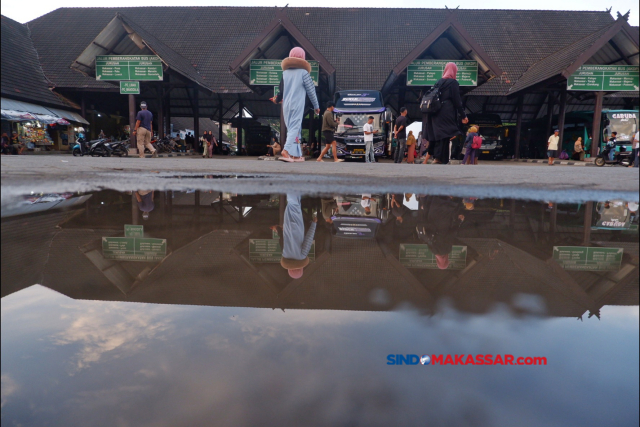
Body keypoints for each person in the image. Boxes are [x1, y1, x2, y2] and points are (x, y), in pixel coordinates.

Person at [271, 47, 320, 162]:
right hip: (297, 104)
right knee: (295, 128)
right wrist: (316, 106)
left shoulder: (285, 73)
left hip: (286, 105)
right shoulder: (304, 73)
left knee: (294, 129)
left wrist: (276, 100)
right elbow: (311, 91)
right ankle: (286, 151)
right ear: (303, 58)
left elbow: (281, 92)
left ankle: (296, 155)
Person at [423, 63, 468, 165]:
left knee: (438, 134)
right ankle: (440, 158)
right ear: (454, 71)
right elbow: (457, 101)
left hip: (435, 112)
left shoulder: (438, 82)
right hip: (446, 112)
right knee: (445, 134)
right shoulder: (453, 83)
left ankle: (438, 158)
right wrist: (463, 115)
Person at [281, 194, 317, 278]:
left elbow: (308, 239)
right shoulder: (285, 254)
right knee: (291, 205)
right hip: (287, 225)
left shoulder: (302, 256)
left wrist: (314, 224)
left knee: (294, 205)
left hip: (297, 227)